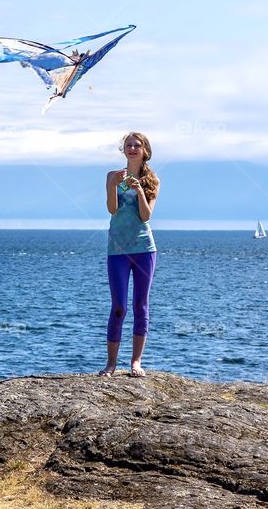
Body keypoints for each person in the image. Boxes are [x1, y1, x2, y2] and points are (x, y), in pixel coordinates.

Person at [98, 132, 160, 378]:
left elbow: (145, 216)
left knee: (140, 305)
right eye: (128, 145)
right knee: (119, 307)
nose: (132, 148)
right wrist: (114, 186)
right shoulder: (112, 176)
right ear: (123, 150)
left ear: (145, 150)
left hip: (144, 249)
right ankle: (111, 364)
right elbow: (112, 209)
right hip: (118, 250)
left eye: (137, 145)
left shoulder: (153, 180)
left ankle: (136, 362)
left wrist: (140, 192)